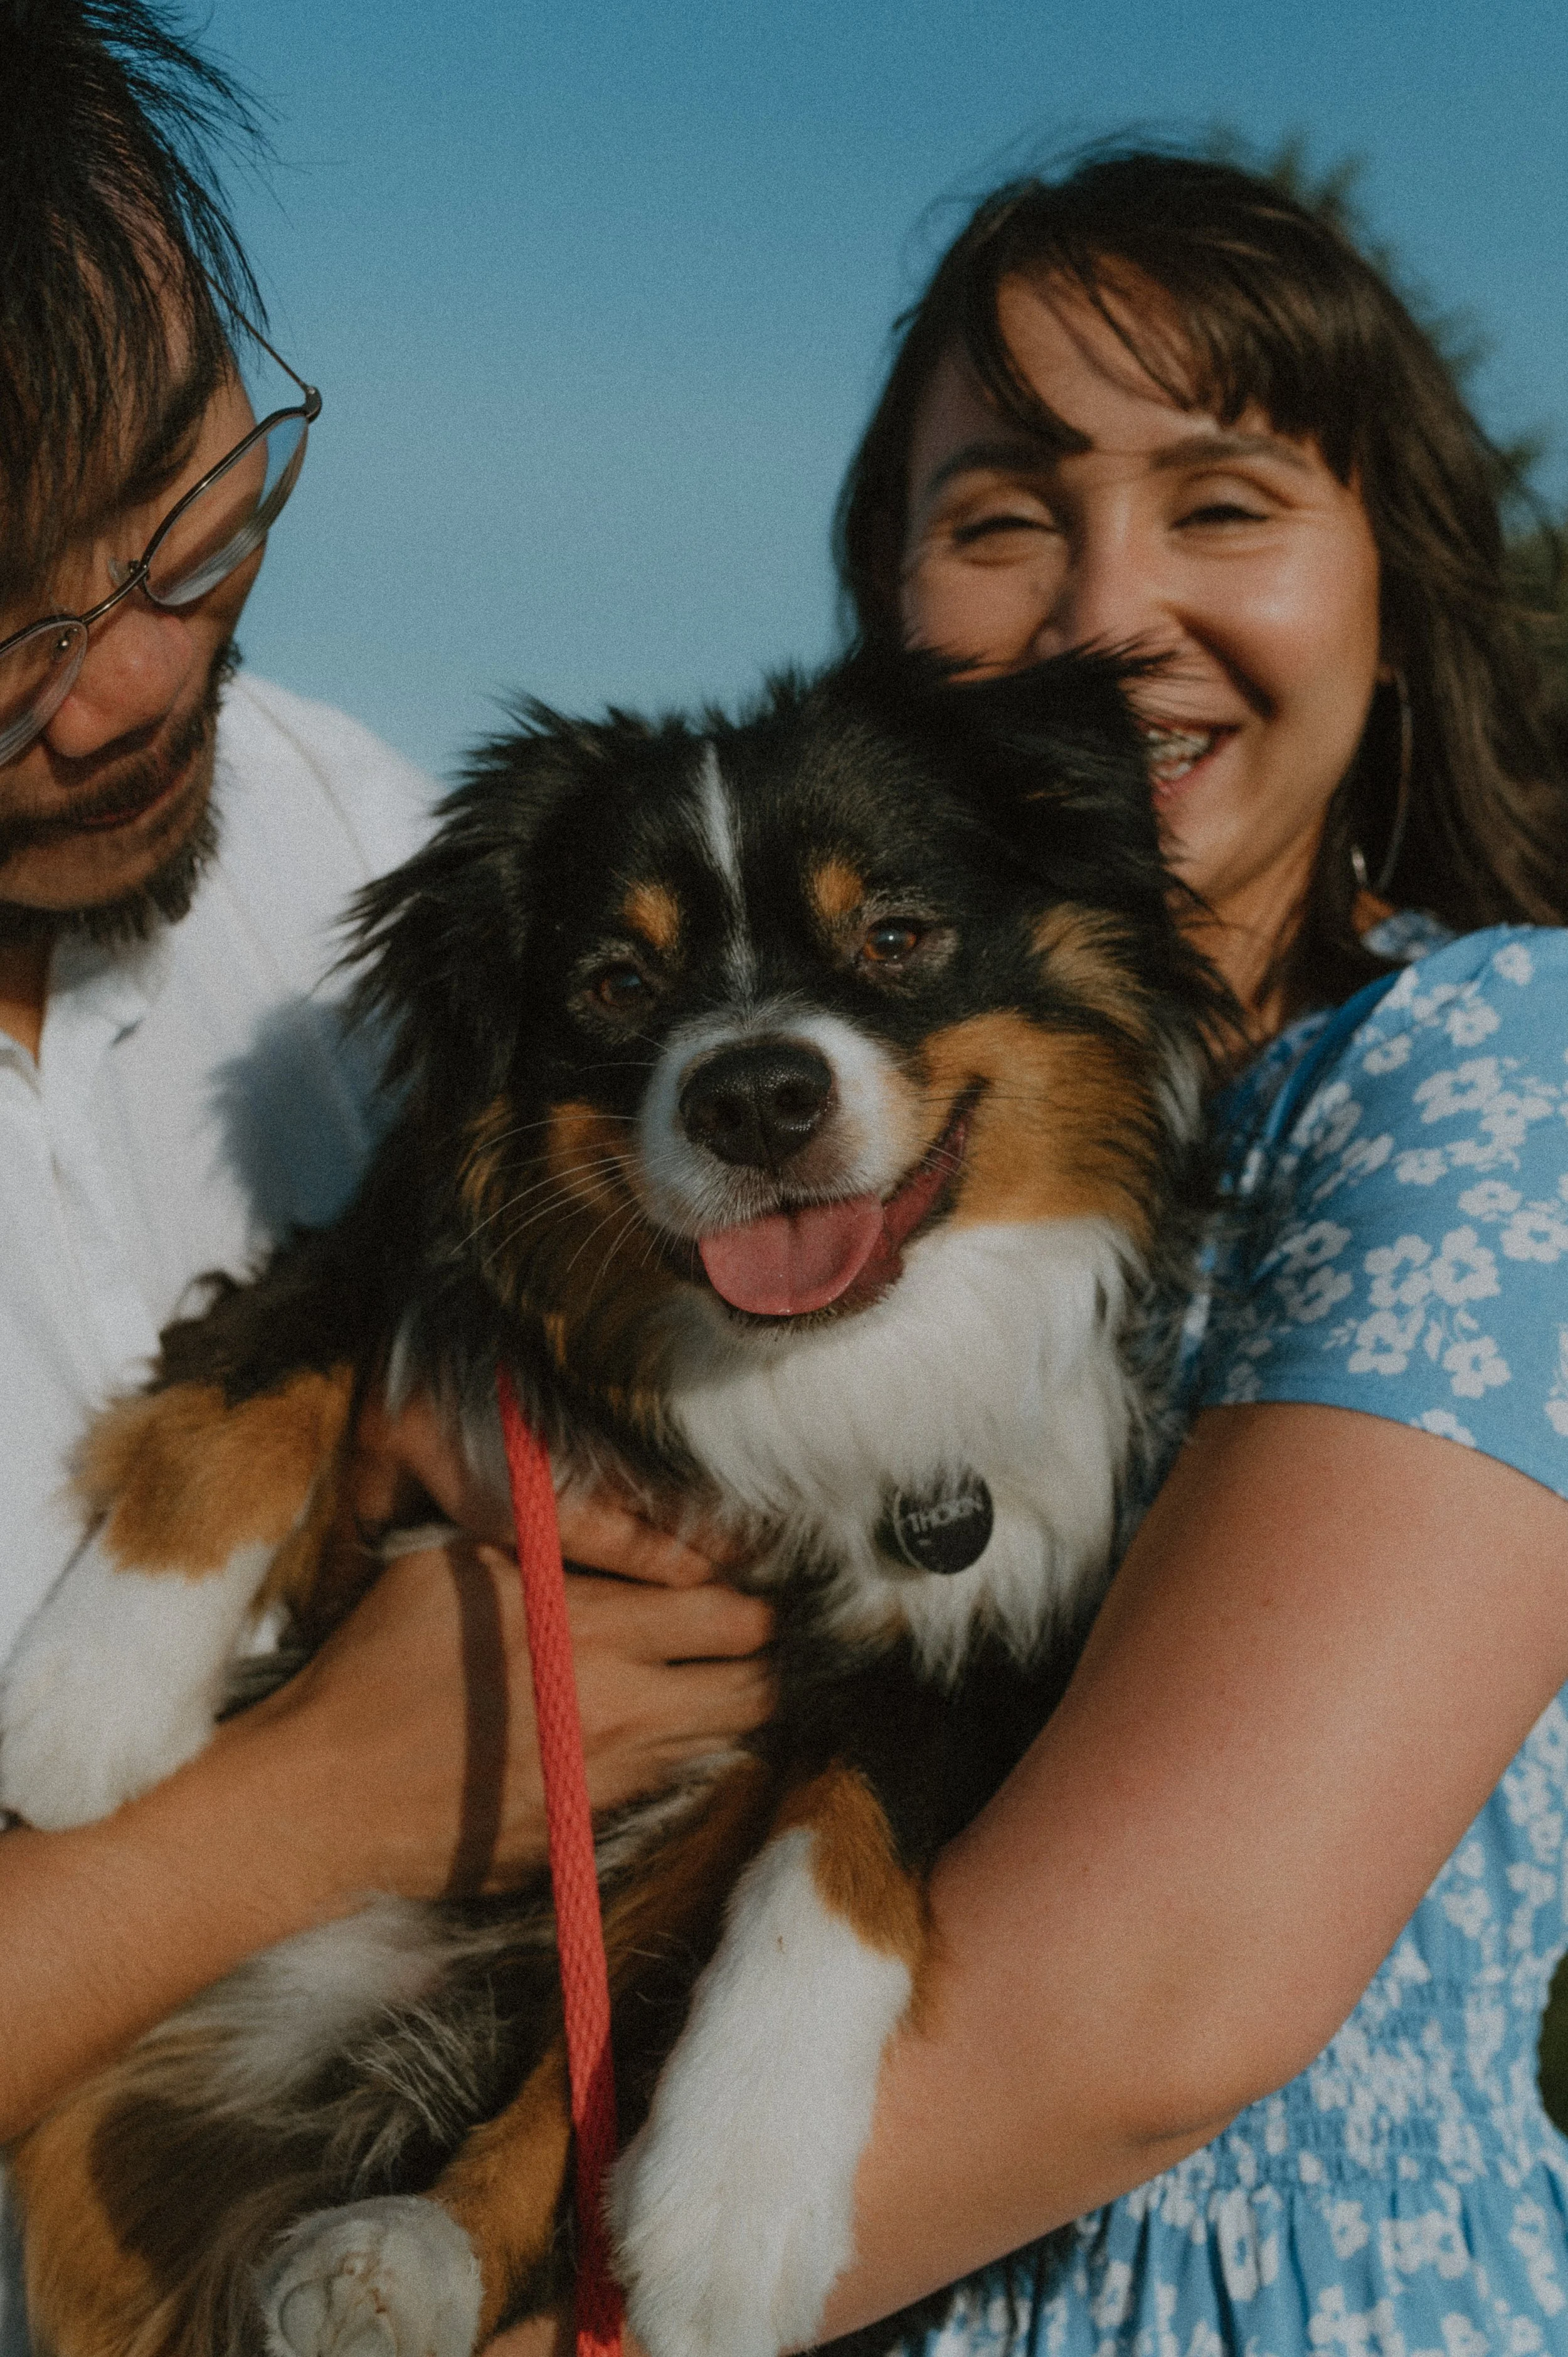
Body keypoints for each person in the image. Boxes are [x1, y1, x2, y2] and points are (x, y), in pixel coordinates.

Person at [0, 6, 770, 2345]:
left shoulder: (341, 841)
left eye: (188, 508)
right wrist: (312, 1807)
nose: (130, 682)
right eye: (6, 630)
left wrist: (440, 1423)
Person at [773, 152, 1568, 2355]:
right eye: (1005, 516)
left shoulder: (1501, 1074)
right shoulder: (818, 1166)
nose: (1109, 612)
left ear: (1390, 591)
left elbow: (1144, 2005)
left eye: (1223, 505)